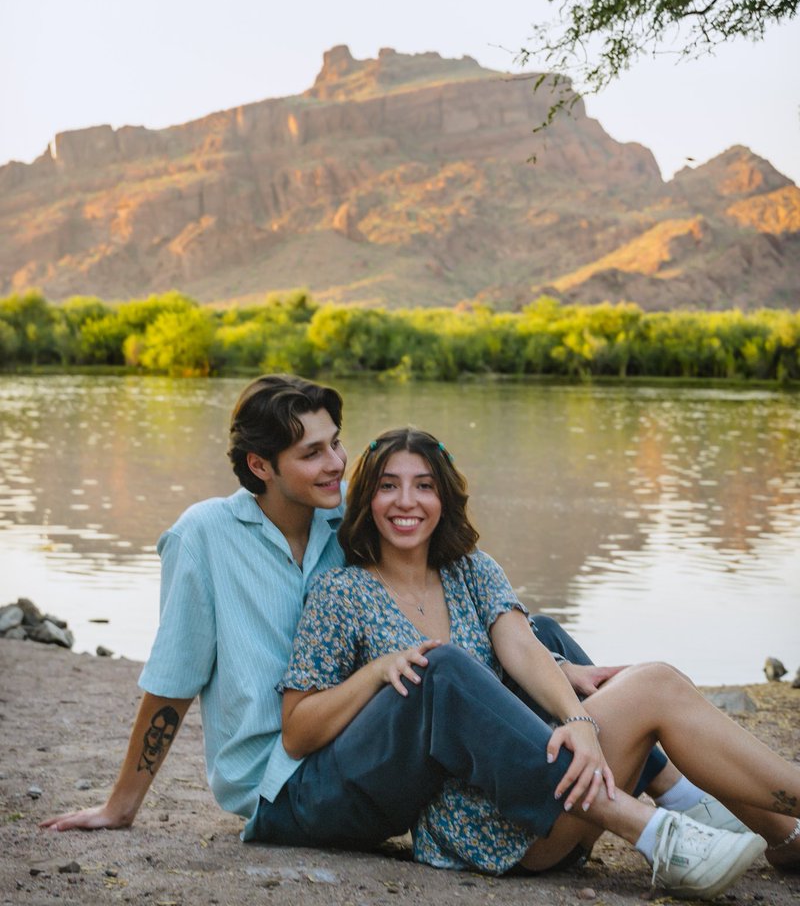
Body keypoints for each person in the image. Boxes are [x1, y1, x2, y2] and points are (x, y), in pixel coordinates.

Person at [39, 377, 798, 888]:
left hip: (375, 752)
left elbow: (503, 628)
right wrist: (123, 804)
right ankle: (650, 822)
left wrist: (568, 683)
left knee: (545, 632)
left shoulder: (347, 522)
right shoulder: (205, 537)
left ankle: (740, 816)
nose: (337, 462)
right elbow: (174, 678)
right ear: (258, 466)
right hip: (283, 785)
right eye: (314, 453)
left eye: (338, 444)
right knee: (438, 666)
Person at [279, 426, 800, 892]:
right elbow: (298, 732)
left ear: (445, 498)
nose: (405, 501)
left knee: (588, 654)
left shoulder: (470, 569)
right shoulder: (341, 592)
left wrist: (578, 719)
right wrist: (375, 673)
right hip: (482, 822)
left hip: (558, 789)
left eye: (424, 485)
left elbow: (521, 645)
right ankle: (689, 809)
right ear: (367, 497)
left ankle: (786, 837)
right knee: (655, 684)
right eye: (388, 485)